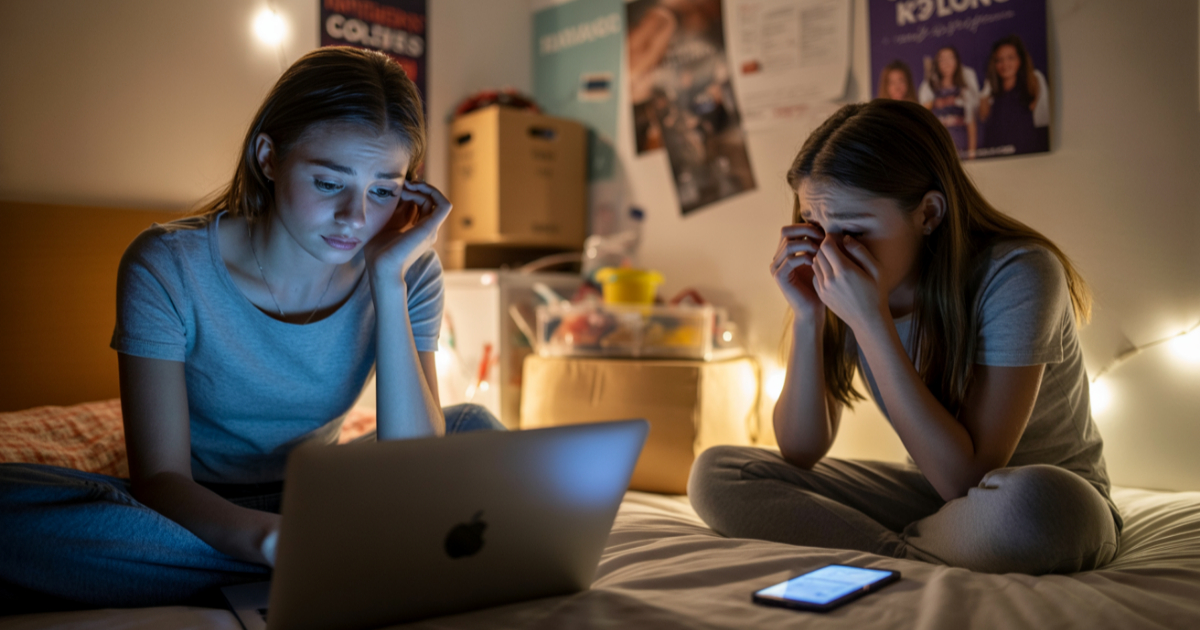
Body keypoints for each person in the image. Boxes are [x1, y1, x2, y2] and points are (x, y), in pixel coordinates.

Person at [0, 47, 503, 612]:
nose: (356, 217)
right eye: (329, 182)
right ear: (268, 156)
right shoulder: (168, 265)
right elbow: (162, 479)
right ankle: (350, 555)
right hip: (196, 510)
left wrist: (387, 279)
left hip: (329, 494)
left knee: (473, 427)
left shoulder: (406, 269)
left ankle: (320, 555)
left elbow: (413, 463)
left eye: (383, 190)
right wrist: (273, 540)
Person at [688, 99, 1120, 575]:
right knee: (717, 473)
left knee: (1042, 507)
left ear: (929, 213)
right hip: (932, 495)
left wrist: (870, 322)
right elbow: (801, 449)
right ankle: (914, 552)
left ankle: (894, 551)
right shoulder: (843, 281)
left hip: (1026, 496)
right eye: (814, 225)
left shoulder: (1019, 273)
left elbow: (968, 479)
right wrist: (809, 317)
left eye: (853, 229)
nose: (829, 251)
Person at [978, 35, 1050, 155]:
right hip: (997, 155)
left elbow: (1042, 120)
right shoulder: (990, 89)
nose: (1005, 64)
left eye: (1010, 58)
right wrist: (986, 90)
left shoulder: (1033, 80)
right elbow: (983, 116)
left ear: (1020, 60)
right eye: (999, 60)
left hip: (1027, 153)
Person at [919, 46, 978, 159]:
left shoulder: (964, 90)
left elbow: (971, 124)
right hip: (939, 147)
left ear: (957, 61)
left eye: (950, 58)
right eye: (942, 59)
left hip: (961, 146)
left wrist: (972, 155)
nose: (946, 63)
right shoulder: (930, 90)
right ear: (936, 63)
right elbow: (924, 118)